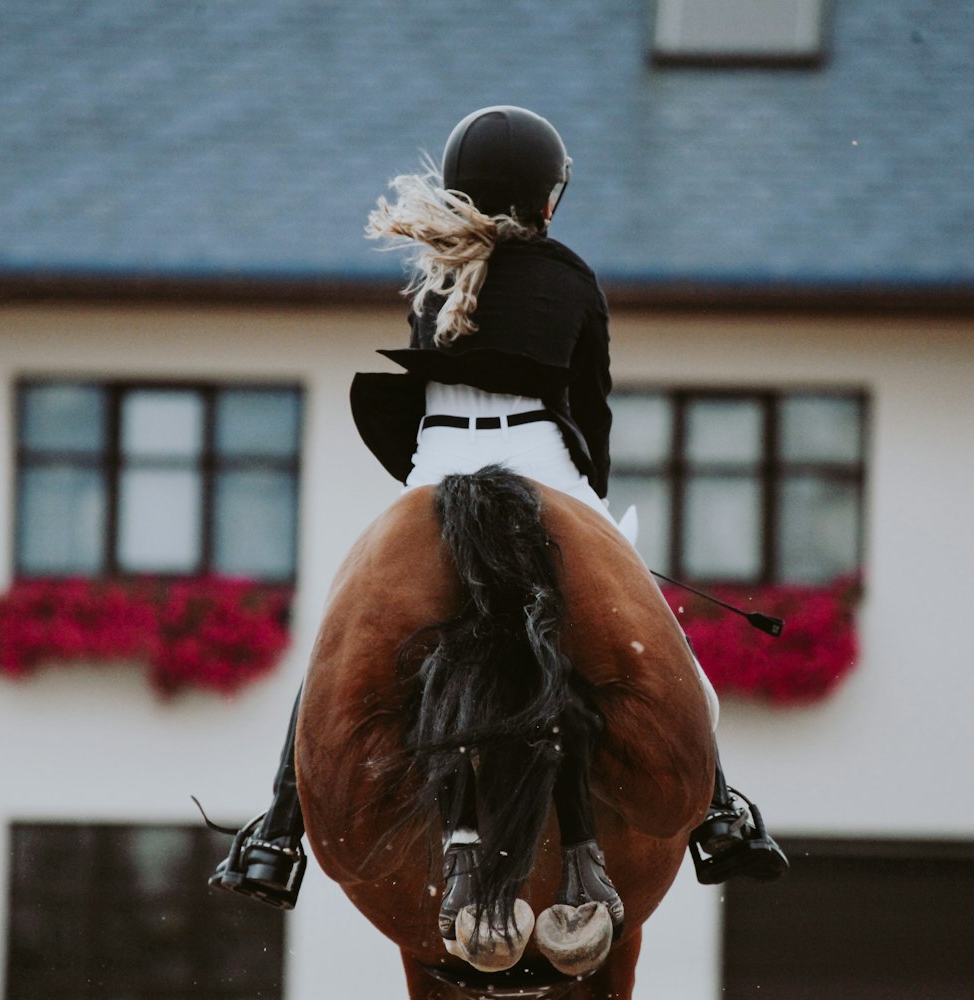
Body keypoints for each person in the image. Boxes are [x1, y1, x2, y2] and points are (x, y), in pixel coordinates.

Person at [209, 106, 788, 924]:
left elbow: (417, 391)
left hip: (436, 462)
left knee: (339, 642)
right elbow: (592, 406)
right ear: (546, 198)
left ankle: (276, 833)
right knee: (659, 634)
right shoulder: (572, 276)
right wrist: (591, 510)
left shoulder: (435, 271)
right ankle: (721, 815)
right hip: (542, 459)